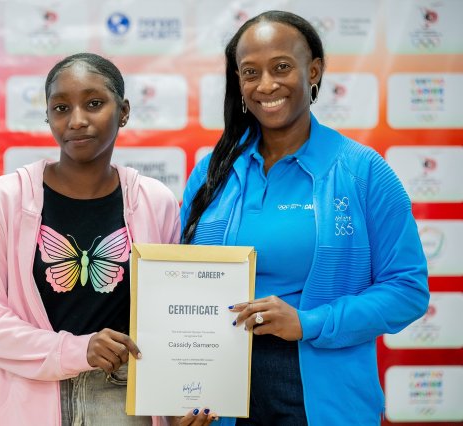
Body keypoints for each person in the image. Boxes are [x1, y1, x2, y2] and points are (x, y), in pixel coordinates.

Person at [180, 10, 429, 426]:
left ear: (313, 71)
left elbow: (407, 289)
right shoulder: (211, 172)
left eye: (281, 67)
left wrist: (309, 322)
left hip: (321, 395)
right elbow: (180, 285)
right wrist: (178, 387)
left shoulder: (362, 171)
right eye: (250, 72)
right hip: (218, 391)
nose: (266, 85)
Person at [0, 53, 182, 425]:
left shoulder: (155, 201)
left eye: (94, 104)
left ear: (124, 111)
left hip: (123, 396)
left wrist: (184, 398)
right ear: (48, 116)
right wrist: (78, 350)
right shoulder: (4, 200)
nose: (76, 120)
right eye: (61, 108)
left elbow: (171, 315)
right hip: (26, 399)